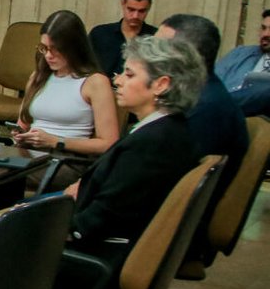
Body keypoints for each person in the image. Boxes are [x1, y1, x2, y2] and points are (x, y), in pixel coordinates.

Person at [60, 35, 201, 267]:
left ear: (161, 84)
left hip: (96, 259)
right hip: (110, 247)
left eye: (129, 74)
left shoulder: (152, 144)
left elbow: (99, 219)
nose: (118, 81)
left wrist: (44, 230)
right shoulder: (170, 128)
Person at [12, 10, 120, 162]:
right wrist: (19, 134)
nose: (48, 55)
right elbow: (23, 123)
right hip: (30, 154)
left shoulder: (94, 82)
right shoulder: (38, 76)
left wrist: (56, 141)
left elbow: (108, 143)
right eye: (44, 48)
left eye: (55, 49)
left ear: (74, 48)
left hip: (66, 159)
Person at [156, 13, 247, 165]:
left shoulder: (205, 109)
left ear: (187, 57)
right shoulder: (195, 93)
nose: (149, 55)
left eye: (159, 48)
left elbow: (168, 168)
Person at [88, 0, 157, 77]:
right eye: (131, 9)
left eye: (142, 11)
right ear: (123, 4)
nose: (135, 16)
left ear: (149, 7)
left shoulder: (156, 38)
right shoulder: (100, 34)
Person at [216, 8, 270, 116]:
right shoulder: (240, 53)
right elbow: (211, 82)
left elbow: (257, 96)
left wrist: (214, 104)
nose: (265, 34)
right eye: (263, 28)